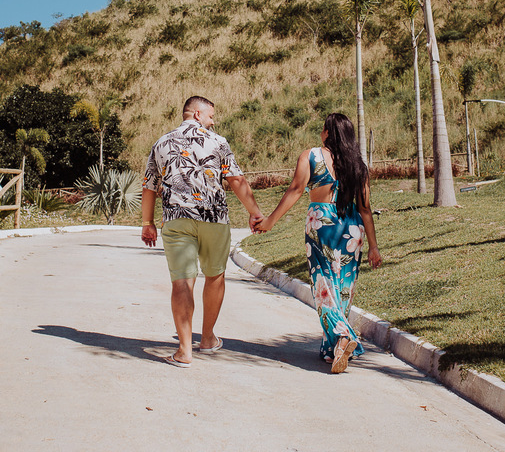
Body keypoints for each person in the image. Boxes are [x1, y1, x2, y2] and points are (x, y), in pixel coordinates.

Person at [141, 95, 264, 368]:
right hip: (214, 219)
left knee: (182, 281)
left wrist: (147, 223)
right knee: (215, 276)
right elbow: (235, 179)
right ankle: (207, 338)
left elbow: (149, 186)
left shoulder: (160, 143)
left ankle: (185, 351)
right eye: (210, 116)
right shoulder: (218, 141)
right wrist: (255, 212)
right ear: (197, 114)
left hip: (176, 220)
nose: (213, 121)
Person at [255, 112, 382, 373]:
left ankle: (344, 336)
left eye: (322, 129)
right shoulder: (358, 165)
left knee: (323, 286)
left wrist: (270, 221)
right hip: (352, 227)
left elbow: (295, 190)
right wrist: (374, 246)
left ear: (327, 133)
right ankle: (331, 348)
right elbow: (366, 209)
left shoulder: (311, 156)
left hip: (321, 224)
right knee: (342, 288)